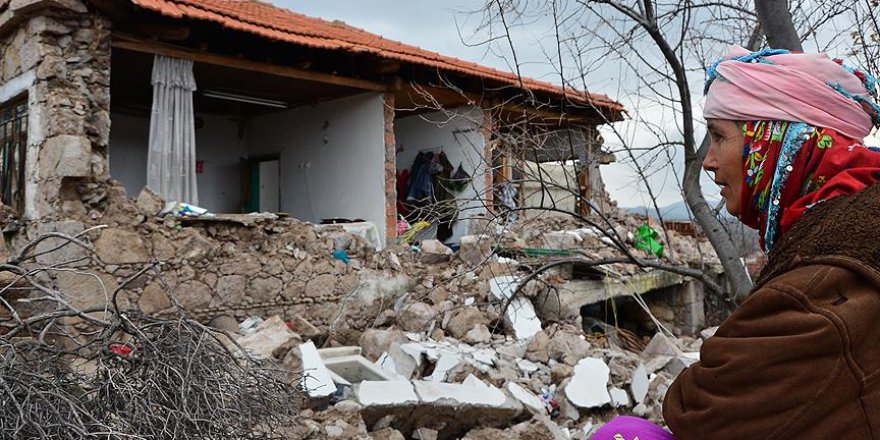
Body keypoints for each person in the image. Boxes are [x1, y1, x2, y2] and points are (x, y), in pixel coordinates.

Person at [592, 47, 880, 440]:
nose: (709, 161)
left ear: (774, 138)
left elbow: (699, 410)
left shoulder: (822, 284)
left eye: (718, 136)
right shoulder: (849, 218)